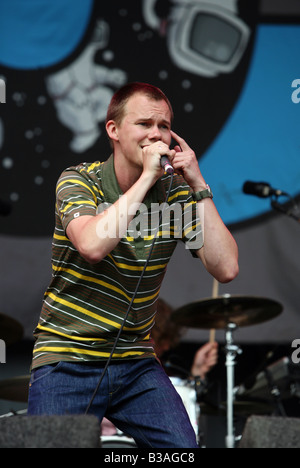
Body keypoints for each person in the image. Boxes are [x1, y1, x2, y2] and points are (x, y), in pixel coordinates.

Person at [27, 82, 238, 448]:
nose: (156, 135)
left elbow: (226, 268)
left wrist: (199, 185)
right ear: (114, 130)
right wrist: (146, 179)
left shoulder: (176, 193)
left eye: (164, 126)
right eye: (143, 124)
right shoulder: (80, 180)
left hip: (135, 359)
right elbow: (92, 245)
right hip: (67, 354)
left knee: (182, 452)